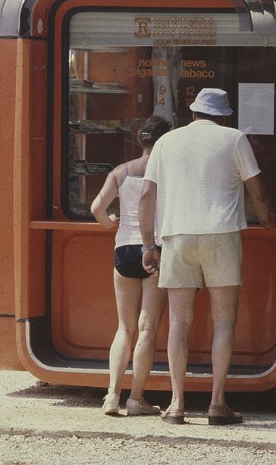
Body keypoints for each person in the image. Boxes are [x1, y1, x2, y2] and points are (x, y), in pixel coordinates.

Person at [139, 88, 276, 426]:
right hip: (221, 234)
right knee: (224, 320)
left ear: (193, 113)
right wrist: (269, 219)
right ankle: (217, 403)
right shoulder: (234, 139)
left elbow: (146, 195)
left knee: (178, 322)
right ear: (225, 115)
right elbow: (256, 190)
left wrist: (147, 245)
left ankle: (176, 404)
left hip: (176, 236)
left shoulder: (166, 143)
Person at [91, 116, 171, 417]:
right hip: (155, 251)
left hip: (124, 249)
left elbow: (97, 208)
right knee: (147, 329)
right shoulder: (167, 171)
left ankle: (111, 395)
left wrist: (110, 223)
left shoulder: (120, 172)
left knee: (124, 327)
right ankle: (137, 399)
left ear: (140, 140)